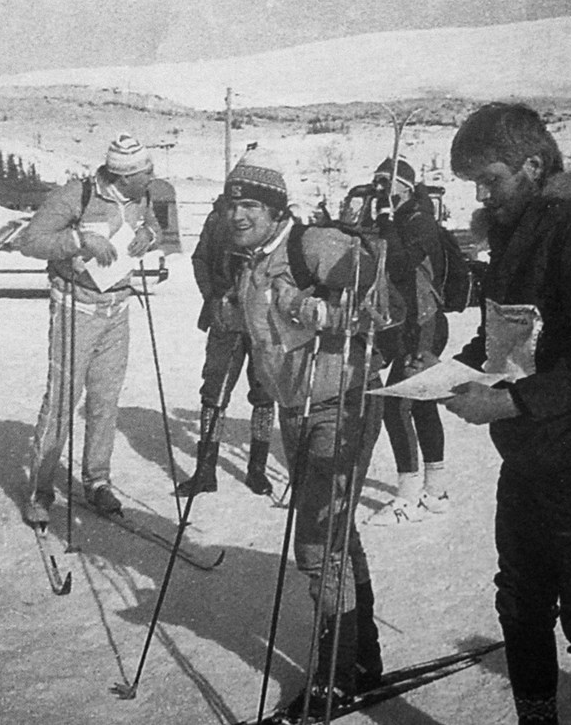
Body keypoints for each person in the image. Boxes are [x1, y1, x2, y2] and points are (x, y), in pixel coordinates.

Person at [441, 103, 571, 724]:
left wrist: (509, 401)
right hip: (528, 460)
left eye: (490, 179)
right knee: (521, 606)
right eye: (473, 183)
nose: (480, 194)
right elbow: (507, 334)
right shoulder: (514, 236)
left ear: (533, 165)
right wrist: (450, 372)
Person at [227, 148, 385, 716]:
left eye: (250, 205)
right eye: (232, 205)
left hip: (342, 404)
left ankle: (337, 674)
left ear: (274, 210)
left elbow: (376, 299)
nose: (239, 215)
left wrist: (317, 309)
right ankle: (364, 658)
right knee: (337, 536)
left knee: (318, 545)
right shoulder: (249, 259)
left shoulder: (310, 244)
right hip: (297, 409)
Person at [21, 134, 162, 525]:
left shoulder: (142, 197)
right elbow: (31, 241)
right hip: (74, 309)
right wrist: (81, 239)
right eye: (146, 171)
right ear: (126, 174)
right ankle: (40, 490)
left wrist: (148, 237)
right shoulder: (76, 195)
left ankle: (97, 481)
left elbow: (153, 227)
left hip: (118, 309)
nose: (153, 176)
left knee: (105, 400)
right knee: (63, 401)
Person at [174, 194, 274, 497]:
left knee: (265, 393)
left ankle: (257, 470)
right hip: (225, 320)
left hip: (263, 322)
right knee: (214, 392)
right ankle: (205, 472)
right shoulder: (218, 219)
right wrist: (213, 296)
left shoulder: (271, 221)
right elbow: (200, 259)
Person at [370, 157, 451, 524]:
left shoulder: (420, 220)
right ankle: (436, 490)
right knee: (421, 404)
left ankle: (407, 497)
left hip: (423, 323)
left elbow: (401, 264)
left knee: (396, 406)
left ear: (404, 185)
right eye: (377, 181)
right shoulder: (399, 218)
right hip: (405, 322)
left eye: (387, 182)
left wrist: (386, 222)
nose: (380, 188)